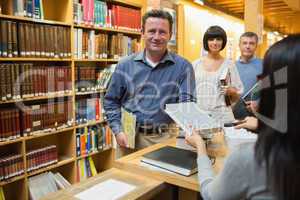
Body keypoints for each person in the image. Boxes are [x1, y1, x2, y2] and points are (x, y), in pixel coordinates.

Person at [186, 34, 300, 200]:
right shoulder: (195, 64)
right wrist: (263, 123)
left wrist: (200, 147)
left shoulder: (251, 158)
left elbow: (211, 195)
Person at [104, 9, 196, 156]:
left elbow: (187, 103)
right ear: (142, 32)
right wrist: (117, 130)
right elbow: (111, 101)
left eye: (162, 32)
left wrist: (189, 131)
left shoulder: (183, 67)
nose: (156, 37)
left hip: (165, 137)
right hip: (128, 136)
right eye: (152, 31)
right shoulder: (124, 65)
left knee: (162, 179)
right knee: (129, 178)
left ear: (170, 35)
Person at [193, 25, 243, 124]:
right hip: (199, 116)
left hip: (223, 117)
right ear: (206, 42)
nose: (215, 42)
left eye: (218, 39)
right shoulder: (195, 64)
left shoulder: (229, 65)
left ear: (223, 42)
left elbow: (237, 95)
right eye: (211, 39)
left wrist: (231, 91)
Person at [236, 32, 263, 112]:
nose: (247, 46)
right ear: (239, 45)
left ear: (256, 46)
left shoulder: (264, 65)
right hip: (233, 115)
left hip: (255, 116)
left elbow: (270, 91)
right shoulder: (231, 66)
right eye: (244, 43)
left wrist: (259, 103)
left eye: (251, 43)